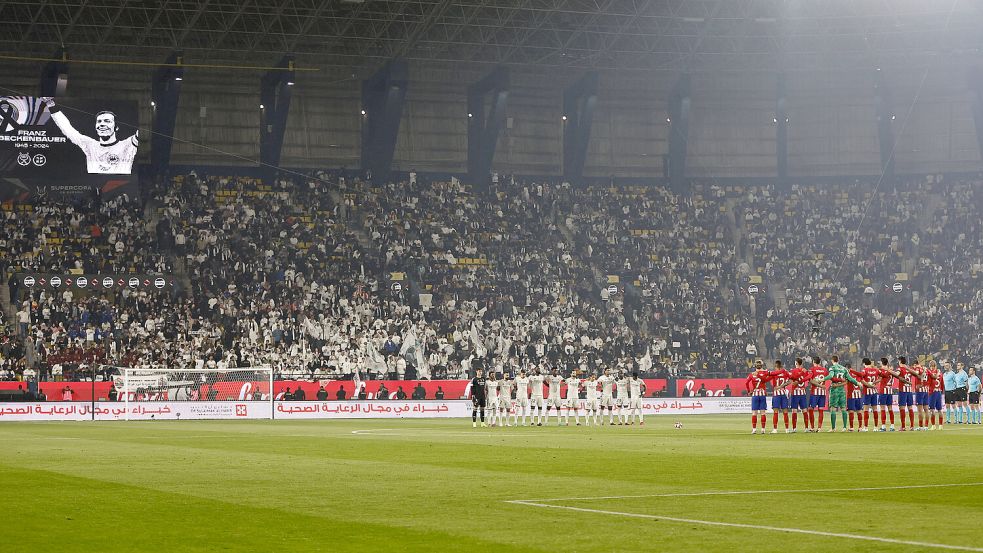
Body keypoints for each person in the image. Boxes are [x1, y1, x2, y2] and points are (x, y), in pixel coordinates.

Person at [42, 98, 139, 174]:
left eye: (107, 121)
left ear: (116, 127)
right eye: (99, 121)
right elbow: (67, 129)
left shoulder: (128, 145)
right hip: (94, 184)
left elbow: (141, 132)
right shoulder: (90, 145)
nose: (102, 124)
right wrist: (51, 104)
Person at [823, 355, 861, 432]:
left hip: (834, 390)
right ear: (838, 360)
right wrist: (858, 383)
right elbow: (850, 378)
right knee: (843, 408)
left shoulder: (832, 368)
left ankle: (833, 428)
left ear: (832, 360)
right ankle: (844, 427)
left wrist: (822, 379)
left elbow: (830, 376)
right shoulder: (844, 369)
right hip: (842, 391)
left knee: (833, 408)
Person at [784, 358, 811, 433]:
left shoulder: (793, 371)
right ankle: (806, 428)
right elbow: (810, 376)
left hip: (795, 393)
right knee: (805, 410)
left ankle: (794, 428)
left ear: (796, 363)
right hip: (802, 393)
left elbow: (789, 379)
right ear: (801, 363)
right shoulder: (805, 371)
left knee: (794, 411)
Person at [745, 360, 771, 434]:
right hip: (762, 393)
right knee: (763, 412)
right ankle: (763, 429)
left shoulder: (752, 374)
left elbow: (746, 383)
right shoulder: (765, 373)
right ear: (762, 365)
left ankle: (754, 429)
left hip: (755, 393)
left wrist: (749, 391)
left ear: (755, 366)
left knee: (754, 413)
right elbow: (768, 379)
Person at [877, 357, 899, 431]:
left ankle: (883, 427)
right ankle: (892, 426)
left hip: (883, 391)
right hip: (890, 391)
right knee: (890, 408)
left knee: (882, 408)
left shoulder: (882, 371)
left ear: (882, 363)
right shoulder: (891, 371)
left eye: (880, 362)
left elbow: (881, 375)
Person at [859, 358, 881, 432]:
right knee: (875, 409)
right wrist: (874, 382)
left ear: (864, 363)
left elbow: (861, 379)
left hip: (867, 392)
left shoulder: (864, 370)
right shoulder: (876, 370)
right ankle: (876, 427)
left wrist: (868, 385)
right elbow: (881, 378)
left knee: (866, 409)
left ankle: (865, 427)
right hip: (874, 392)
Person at [769, 360, 790, 434]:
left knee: (775, 411)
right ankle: (787, 429)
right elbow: (790, 380)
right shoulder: (785, 372)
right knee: (785, 411)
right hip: (783, 393)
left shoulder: (774, 373)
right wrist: (783, 386)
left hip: (776, 394)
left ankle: (775, 429)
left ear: (776, 366)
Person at [808, 357, 828, 431]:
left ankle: (812, 427)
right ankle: (819, 428)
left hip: (815, 392)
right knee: (821, 409)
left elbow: (810, 380)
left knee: (810, 409)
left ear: (813, 362)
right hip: (822, 392)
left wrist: (818, 385)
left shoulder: (812, 369)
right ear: (820, 362)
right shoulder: (825, 370)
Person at [895, 357, 915, 431]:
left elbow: (896, 374)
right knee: (910, 408)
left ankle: (903, 427)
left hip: (903, 391)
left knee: (902, 408)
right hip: (909, 391)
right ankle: (912, 426)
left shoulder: (900, 369)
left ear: (900, 361)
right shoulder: (909, 369)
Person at [926, 361, 944, 430]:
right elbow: (942, 384)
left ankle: (933, 425)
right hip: (938, 392)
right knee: (940, 409)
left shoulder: (930, 373)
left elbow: (929, 383)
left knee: (932, 409)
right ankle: (940, 425)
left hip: (932, 393)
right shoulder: (940, 374)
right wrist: (941, 391)